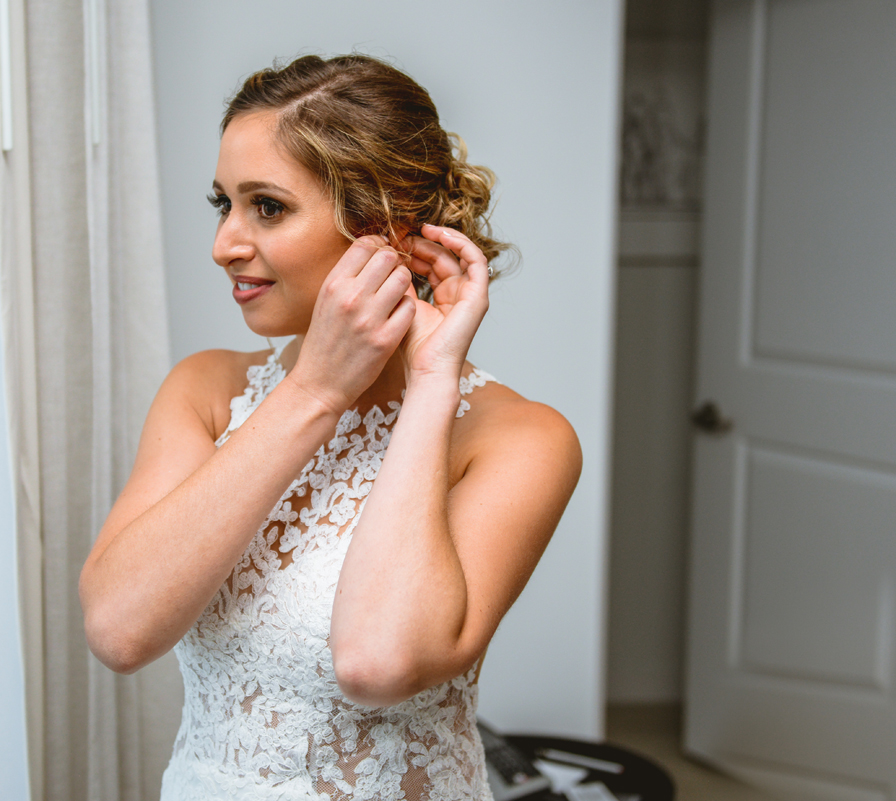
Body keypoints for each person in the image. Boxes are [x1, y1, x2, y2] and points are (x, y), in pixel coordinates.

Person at [79, 54, 582, 801]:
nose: (225, 242)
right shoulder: (206, 391)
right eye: (224, 203)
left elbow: (379, 662)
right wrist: (313, 390)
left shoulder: (522, 440)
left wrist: (432, 383)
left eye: (268, 207)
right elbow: (120, 630)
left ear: (385, 227)